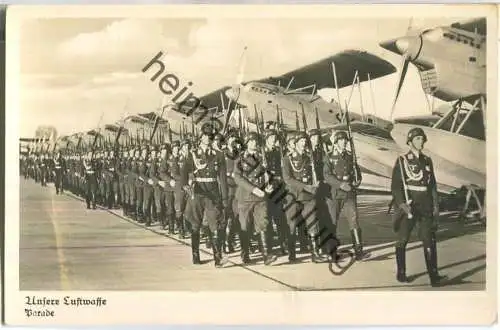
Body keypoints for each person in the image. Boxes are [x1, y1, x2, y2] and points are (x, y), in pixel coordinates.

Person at [391, 127, 447, 287]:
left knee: (429, 239)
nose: (420, 141)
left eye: (422, 138)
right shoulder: (402, 160)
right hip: (409, 204)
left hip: (425, 205)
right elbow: (395, 186)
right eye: (417, 139)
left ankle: (434, 276)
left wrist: (435, 205)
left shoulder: (427, 160)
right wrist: (402, 204)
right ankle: (401, 273)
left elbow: (433, 186)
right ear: (410, 142)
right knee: (402, 239)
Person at [183, 128, 229, 267]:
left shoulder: (219, 155)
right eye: (205, 136)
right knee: (196, 224)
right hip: (198, 192)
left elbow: (222, 178)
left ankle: (217, 258)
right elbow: (184, 172)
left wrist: (225, 197)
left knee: (215, 224)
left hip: (213, 193)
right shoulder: (192, 154)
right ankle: (195, 255)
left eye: (210, 136)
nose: (208, 139)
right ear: (200, 137)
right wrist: (186, 186)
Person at [325, 131, 365, 260]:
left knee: (354, 219)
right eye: (341, 141)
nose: (344, 143)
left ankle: (358, 249)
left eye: (345, 141)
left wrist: (358, 180)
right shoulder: (329, 157)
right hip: (335, 194)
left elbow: (356, 171)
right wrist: (340, 184)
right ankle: (332, 251)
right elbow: (327, 175)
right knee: (332, 221)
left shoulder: (349, 156)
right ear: (336, 143)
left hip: (349, 193)